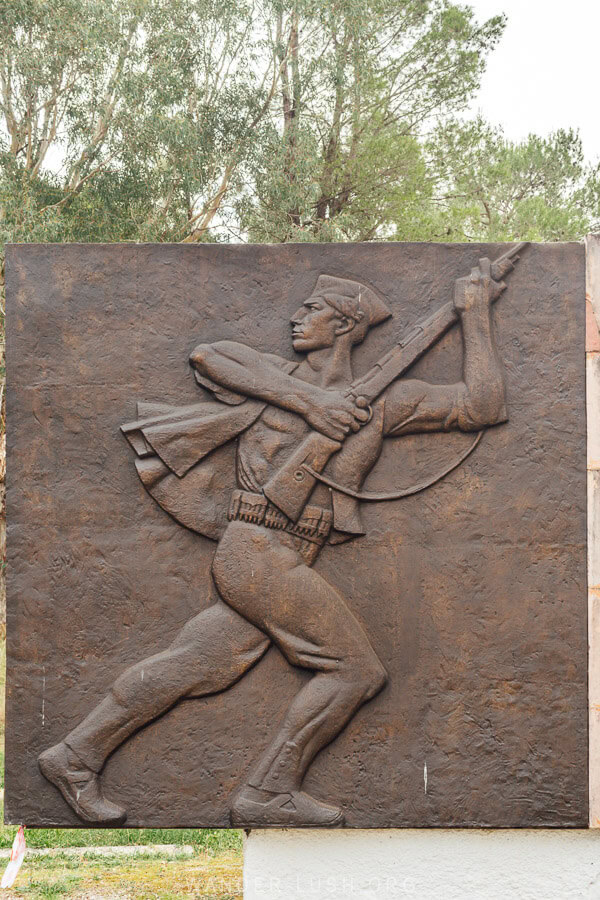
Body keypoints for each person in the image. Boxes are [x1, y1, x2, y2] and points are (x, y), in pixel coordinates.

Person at [39, 261, 507, 827]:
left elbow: (483, 407)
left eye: (311, 311)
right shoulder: (270, 376)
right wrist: (309, 404)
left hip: (283, 554)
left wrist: (475, 314)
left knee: (196, 664)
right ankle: (268, 789)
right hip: (257, 549)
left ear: (346, 323)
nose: (294, 316)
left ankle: (75, 755)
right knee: (356, 671)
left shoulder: (386, 401)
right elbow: (207, 356)